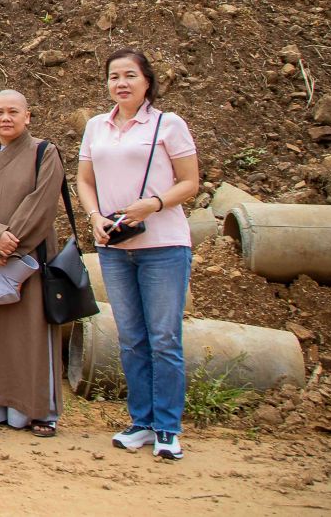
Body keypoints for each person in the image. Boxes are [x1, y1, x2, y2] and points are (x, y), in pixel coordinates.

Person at [78, 48, 200, 461]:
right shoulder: (96, 126)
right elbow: (84, 179)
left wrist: (155, 203)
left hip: (163, 245)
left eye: (130, 75)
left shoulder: (169, 124)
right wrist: (94, 216)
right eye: (114, 76)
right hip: (113, 245)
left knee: (164, 338)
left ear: (147, 80)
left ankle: (168, 427)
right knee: (131, 338)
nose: (121, 83)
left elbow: (190, 182)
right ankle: (141, 423)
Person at [0, 90, 64, 435]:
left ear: (28, 116)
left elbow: (43, 201)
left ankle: (37, 410)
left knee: (29, 333)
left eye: (13, 112)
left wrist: (10, 241)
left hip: (29, 254)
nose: (6, 118)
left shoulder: (44, 153)